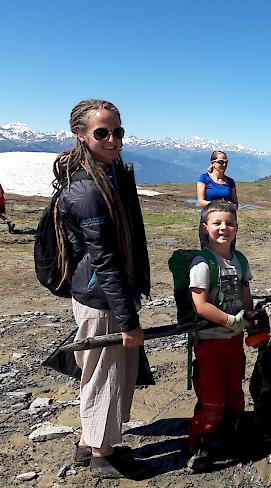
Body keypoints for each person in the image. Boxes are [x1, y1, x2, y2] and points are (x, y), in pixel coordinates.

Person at [53, 99, 151, 478]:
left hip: (106, 293)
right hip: (101, 297)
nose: (113, 139)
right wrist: (128, 320)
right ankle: (102, 453)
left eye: (118, 131)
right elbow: (104, 260)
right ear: (80, 135)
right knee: (105, 373)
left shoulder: (107, 174)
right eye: (103, 132)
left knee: (103, 369)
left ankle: (91, 441)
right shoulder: (88, 189)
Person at [186, 199, 253, 472]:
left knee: (235, 394)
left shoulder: (240, 260)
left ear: (236, 228)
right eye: (216, 223)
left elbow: (246, 296)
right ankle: (199, 447)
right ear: (205, 228)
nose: (223, 228)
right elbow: (200, 305)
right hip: (210, 343)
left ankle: (229, 435)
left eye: (229, 223)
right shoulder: (202, 264)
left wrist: (248, 317)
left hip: (234, 341)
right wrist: (230, 320)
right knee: (213, 398)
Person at [197, 151, 238, 248]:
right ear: (212, 163)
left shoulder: (230, 182)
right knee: (208, 248)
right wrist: (219, 205)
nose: (224, 165)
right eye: (220, 162)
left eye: (226, 162)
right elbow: (201, 201)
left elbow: (235, 203)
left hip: (227, 221)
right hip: (210, 220)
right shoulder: (204, 178)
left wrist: (230, 207)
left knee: (228, 248)